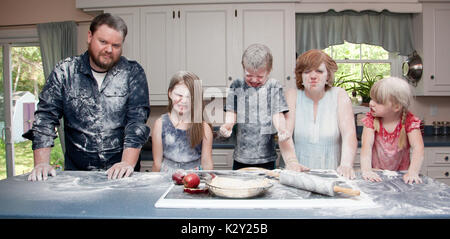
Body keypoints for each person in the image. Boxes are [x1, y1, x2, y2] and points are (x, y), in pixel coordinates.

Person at [23, 13, 151, 181]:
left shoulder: (132, 73)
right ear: (90, 36)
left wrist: (127, 163)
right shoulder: (65, 72)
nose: (109, 50)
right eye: (103, 42)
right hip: (76, 176)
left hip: (122, 175)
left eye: (116, 45)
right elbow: (45, 118)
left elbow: (136, 122)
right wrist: (41, 163)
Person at [219, 43, 306, 171]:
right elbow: (232, 111)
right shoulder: (237, 85)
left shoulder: (273, 86)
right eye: (249, 75)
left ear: (269, 71)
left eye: (260, 76)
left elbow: (278, 114)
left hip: (267, 158)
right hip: (240, 158)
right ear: (243, 68)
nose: (254, 80)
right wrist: (228, 125)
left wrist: (281, 128)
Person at [284, 49, 357, 178]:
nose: (313, 76)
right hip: (298, 174)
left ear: (328, 75)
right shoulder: (292, 95)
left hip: (331, 174)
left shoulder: (339, 95)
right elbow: (285, 134)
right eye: (307, 71)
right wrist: (292, 162)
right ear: (301, 75)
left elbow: (349, 135)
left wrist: (346, 164)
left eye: (319, 71)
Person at [360, 77, 424, 184]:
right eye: (372, 98)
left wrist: (412, 172)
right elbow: (366, 147)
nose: (371, 103)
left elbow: (418, 148)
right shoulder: (371, 120)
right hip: (377, 175)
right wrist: (367, 171)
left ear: (396, 107)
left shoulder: (409, 121)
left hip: (402, 177)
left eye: (378, 101)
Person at [151, 71, 213, 173]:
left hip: (195, 177)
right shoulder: (160, 124)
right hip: (167, 176)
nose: (184, 101)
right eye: (179, 95)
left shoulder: (204, 127)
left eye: (189, 97)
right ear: (170, 93)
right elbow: (157, 163)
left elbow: (206, 163)